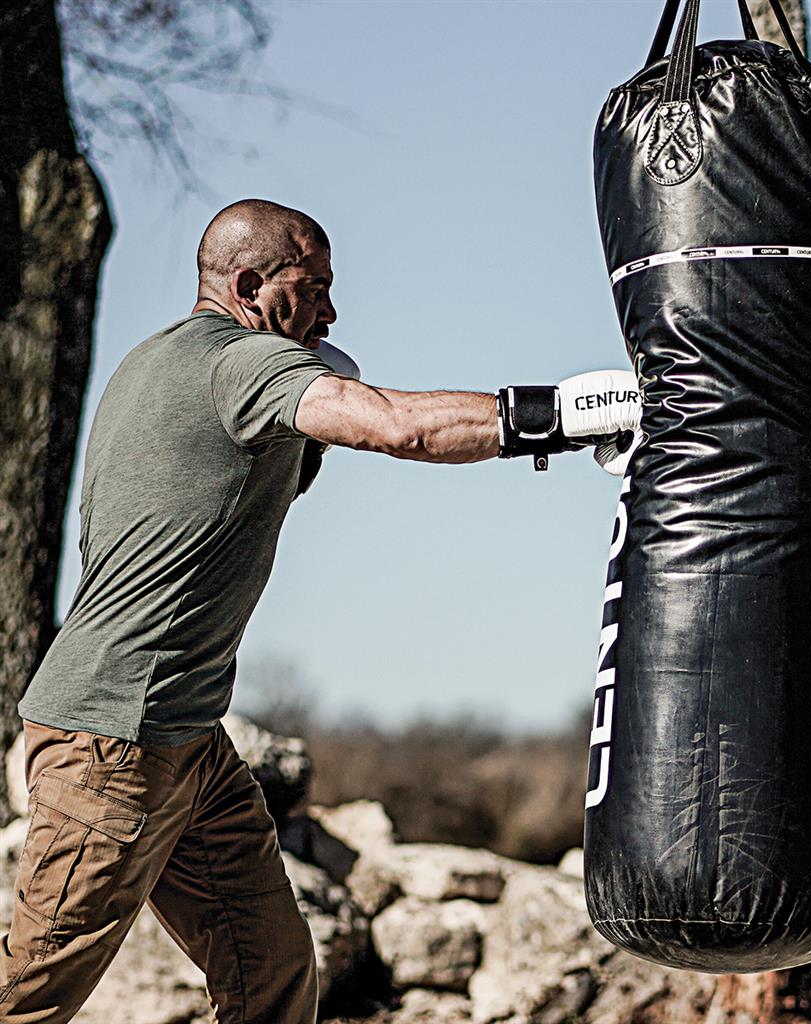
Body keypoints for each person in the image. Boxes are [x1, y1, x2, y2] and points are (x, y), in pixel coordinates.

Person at [0, 199, 640, 1023]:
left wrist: (310, 430)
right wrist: (555, 416)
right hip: (111, 743)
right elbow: (398, 427)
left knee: (271, 974)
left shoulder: (152, 363)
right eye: (316, 287)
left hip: (185, 739)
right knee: (30, 1000)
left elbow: (215, 496)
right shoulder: (244, 365)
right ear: (250, 284)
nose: (331, 310)